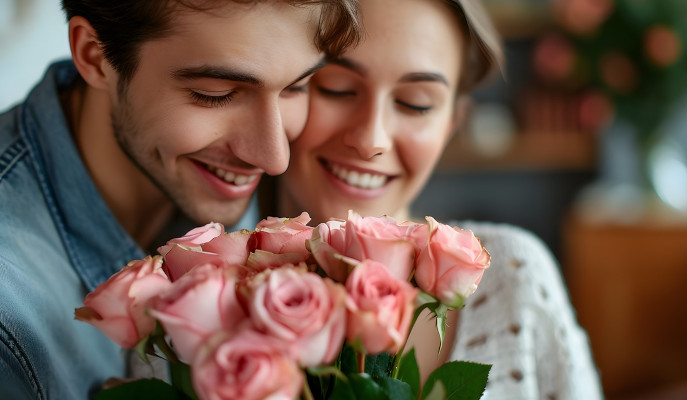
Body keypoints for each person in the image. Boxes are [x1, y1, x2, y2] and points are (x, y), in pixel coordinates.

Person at [0, 1, 361, 398]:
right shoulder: (10, 321)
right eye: (216, 94)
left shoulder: (256, 184)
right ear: (94, 55)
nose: (274, 159)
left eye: (297, 86)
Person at [260, 0, 604, 398]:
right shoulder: (194, 305)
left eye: (416, 103)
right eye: (337, 88)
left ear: (451, 125)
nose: (372, 140)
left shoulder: (513, 277)